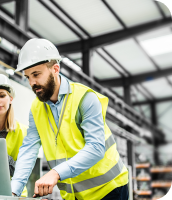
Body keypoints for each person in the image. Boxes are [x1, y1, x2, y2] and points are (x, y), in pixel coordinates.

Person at [11, 39, 129, 200]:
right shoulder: (36, 108)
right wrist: (14, 190)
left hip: (109, 189)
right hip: (75, 195)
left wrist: (56, 172)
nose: (32, 83)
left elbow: (96, 147)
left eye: (36, 74)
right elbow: (29, 149)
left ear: (55, 69)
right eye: (28, 77)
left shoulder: (85, 98)